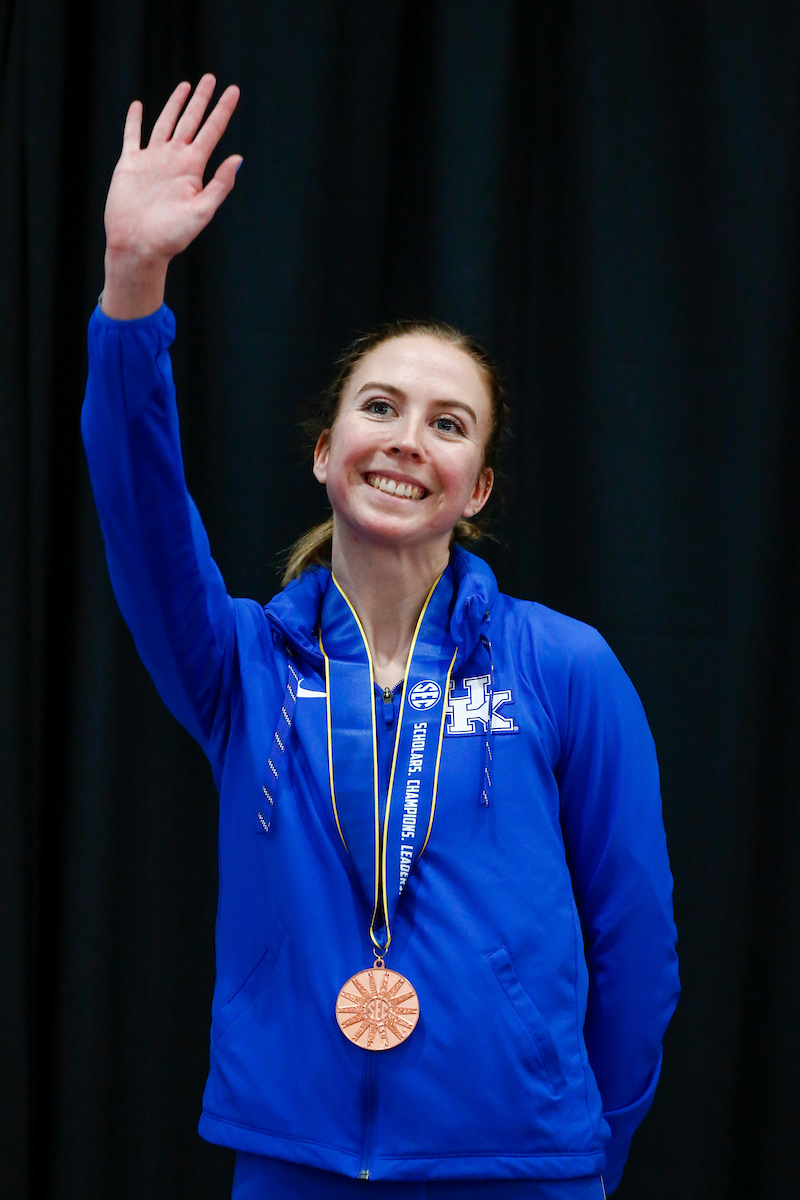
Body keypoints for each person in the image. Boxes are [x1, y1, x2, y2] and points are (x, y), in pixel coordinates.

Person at [82, 76, 680, 1199]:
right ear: (322, 451)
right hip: (293, 1156)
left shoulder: (562, 667)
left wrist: (585, 1144)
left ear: (477, 486)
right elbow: (140, 509)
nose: (407, 440)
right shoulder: (241, 665)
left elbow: (635, 940)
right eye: (378, 406)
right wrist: (132, 286)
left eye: (447, 424)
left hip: (521, 1166)